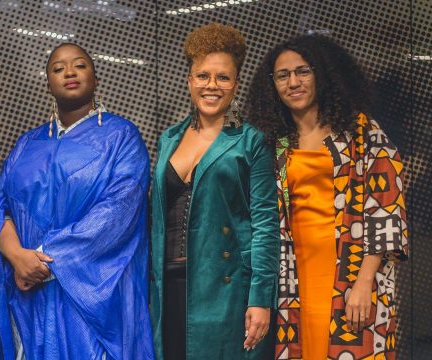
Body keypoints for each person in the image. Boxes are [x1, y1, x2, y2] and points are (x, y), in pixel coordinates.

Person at [0, 42, 154, 360]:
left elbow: (121, 208)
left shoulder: (122, 137)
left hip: (93, 291)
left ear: (95, 76)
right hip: (30, 294)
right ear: (48, 82)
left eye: (79, 64)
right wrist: (16, 256)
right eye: (58, 68)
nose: (69, 72)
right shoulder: (27, 144)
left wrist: (43, 260)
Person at [245, 34, 409, 360]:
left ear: (321, 74)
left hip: (350, 275)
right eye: (283, 75)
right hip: (290, 277)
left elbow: (387, 210)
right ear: (272, 85)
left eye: (303, 71)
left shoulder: (362, 133)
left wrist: (364, 283)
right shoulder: (274, 142)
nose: (293, 82)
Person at [149, 23, 279, 359]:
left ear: (236, 84)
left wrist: (260, 298)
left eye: (222, 77)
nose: (212, 85)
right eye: (203, 75)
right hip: (168, 284)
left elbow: (266, 226)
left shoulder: (251, 140)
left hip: (225, 287)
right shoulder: (169, 138)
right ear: (189, 79)